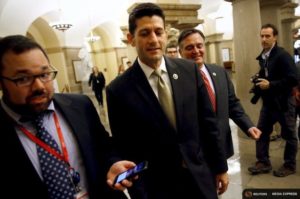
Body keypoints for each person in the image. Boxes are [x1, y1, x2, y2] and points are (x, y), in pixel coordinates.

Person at [105, 3, 228, 199]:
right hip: (158, 187)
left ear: (165, 35)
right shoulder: (118, 90)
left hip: (200, 177)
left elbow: (208, 123)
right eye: (145, 33)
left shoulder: (189, 71)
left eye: (158, 32)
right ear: (131, 39)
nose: (154, 39)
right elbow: (125, 146)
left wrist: (220, 167)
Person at [0, 35, 126, 199]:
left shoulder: (80, 106)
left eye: (44, 74)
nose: (39, 86)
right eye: (23, 78)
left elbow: (104, 147)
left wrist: (112, 163)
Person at [178, 28, 261, 160]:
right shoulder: (176, 80)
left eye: (199, 46)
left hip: (221, 145)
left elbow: (232, 103)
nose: (196, 51)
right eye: (189, 47)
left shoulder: (219, 72)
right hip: (194, 152)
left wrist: (248, 125)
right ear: (180, 52)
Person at [247, 23, 298, 177]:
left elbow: (293, 79)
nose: (264, 39)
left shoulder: (283, 55)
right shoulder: (264, 56)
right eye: (262, 36)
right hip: (269, 103)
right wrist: (258, 78)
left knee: (289, 135)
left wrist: (271, 84)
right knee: (261, 132)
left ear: (275, 37)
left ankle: (289, 165)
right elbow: (269, 73)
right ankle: (263, 162)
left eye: (267, 36)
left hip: (283, 102)